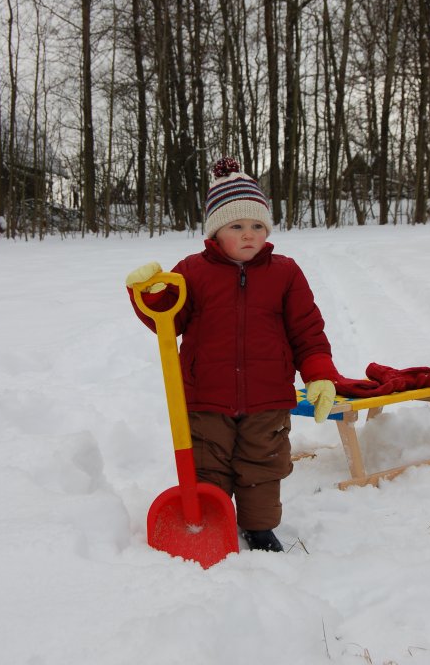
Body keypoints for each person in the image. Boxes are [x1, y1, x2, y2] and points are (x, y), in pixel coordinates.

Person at [126, 157, 338, 553]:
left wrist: (319, 374)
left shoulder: (285, 273)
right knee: (208, 462)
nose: (249, 235)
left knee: (264, 463)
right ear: (215, 231)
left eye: (257, 225)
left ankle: (259, 528)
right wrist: (150, 295)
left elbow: (307, 330)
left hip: (267, 396)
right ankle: (211, 520)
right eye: (236, 226)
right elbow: (168, 320)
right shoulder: (192, 271)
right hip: (206, 394)